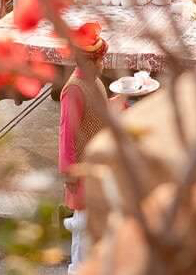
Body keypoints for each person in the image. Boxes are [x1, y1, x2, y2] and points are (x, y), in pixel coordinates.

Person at [59, 22, 122, 275]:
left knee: (96, 228)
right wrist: (69, 171)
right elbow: (67, 134)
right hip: (82, 172)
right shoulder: (74, 89)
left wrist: (125, 100)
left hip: (96, 169)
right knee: (83, 233)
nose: (103, 64)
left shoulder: (93, 82)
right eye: (101, 60)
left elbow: (99, 114)